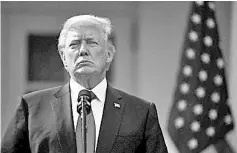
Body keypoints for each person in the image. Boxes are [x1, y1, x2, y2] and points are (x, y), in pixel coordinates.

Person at [1, 15, 168, 153]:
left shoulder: (141, 112)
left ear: (109, 54)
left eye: (91, 42)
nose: (82, 50)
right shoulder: (31, 108)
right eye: (74, 44)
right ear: (64, 57)